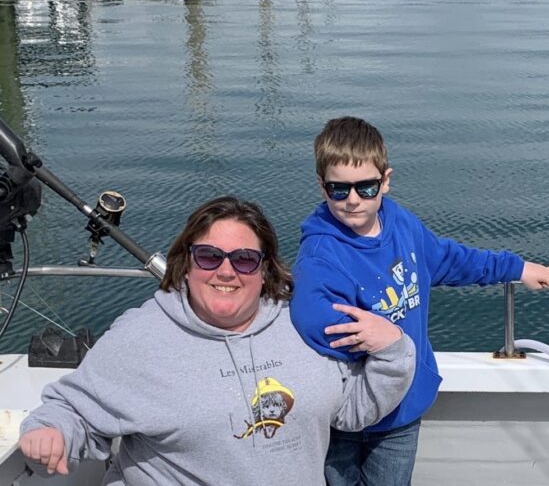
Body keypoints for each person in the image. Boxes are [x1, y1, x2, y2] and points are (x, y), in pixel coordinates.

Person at [19, 196, 416, 484]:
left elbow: (350, 411)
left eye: (244, 259)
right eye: (209, 256)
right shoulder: (141, 337)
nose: (226, 271)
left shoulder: (299, 322)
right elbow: (73, 411)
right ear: (186, 264)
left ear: (265, 270)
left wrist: (393, 351)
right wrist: (51, 432)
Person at [290, 116, 549, 486]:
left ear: (385, 180)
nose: (352, 200)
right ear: (322, 187)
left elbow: (446, 259)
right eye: (339, 189)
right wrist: (378, 342)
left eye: (365, 188)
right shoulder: (320, 254)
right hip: (343, 418)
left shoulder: (400, 223)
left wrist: (514, 268)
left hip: (403, 410)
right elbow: (309, 322)